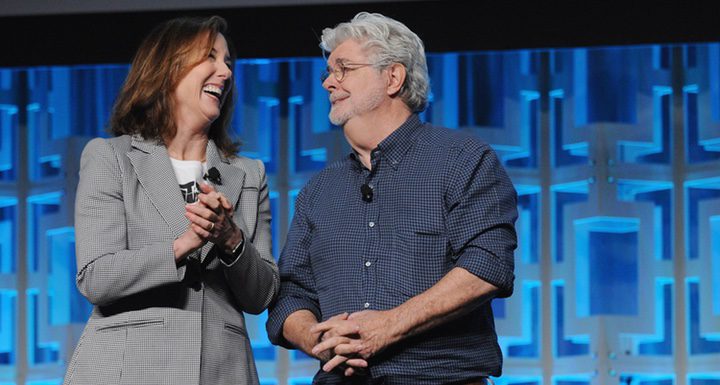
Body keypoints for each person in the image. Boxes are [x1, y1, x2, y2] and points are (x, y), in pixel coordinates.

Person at [266, 11, 518, 385]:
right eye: (328, 72)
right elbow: (291, 294)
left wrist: (388, 327)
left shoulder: (463, 159)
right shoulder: (318, 191)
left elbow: (489, 264)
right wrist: (316, 338)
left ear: (393, 77)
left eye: (344, 69)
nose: (328, 83)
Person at [64, 16, 279, 385]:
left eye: (228, 62)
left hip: (220, 371)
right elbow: (96, 278)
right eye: (210, 57)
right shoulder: (110, 157)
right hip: (128, 368)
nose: (224, 72)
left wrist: (231, 240)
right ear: (166, 67)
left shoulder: (248, 173)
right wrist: (183, 245)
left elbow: (262, 294)